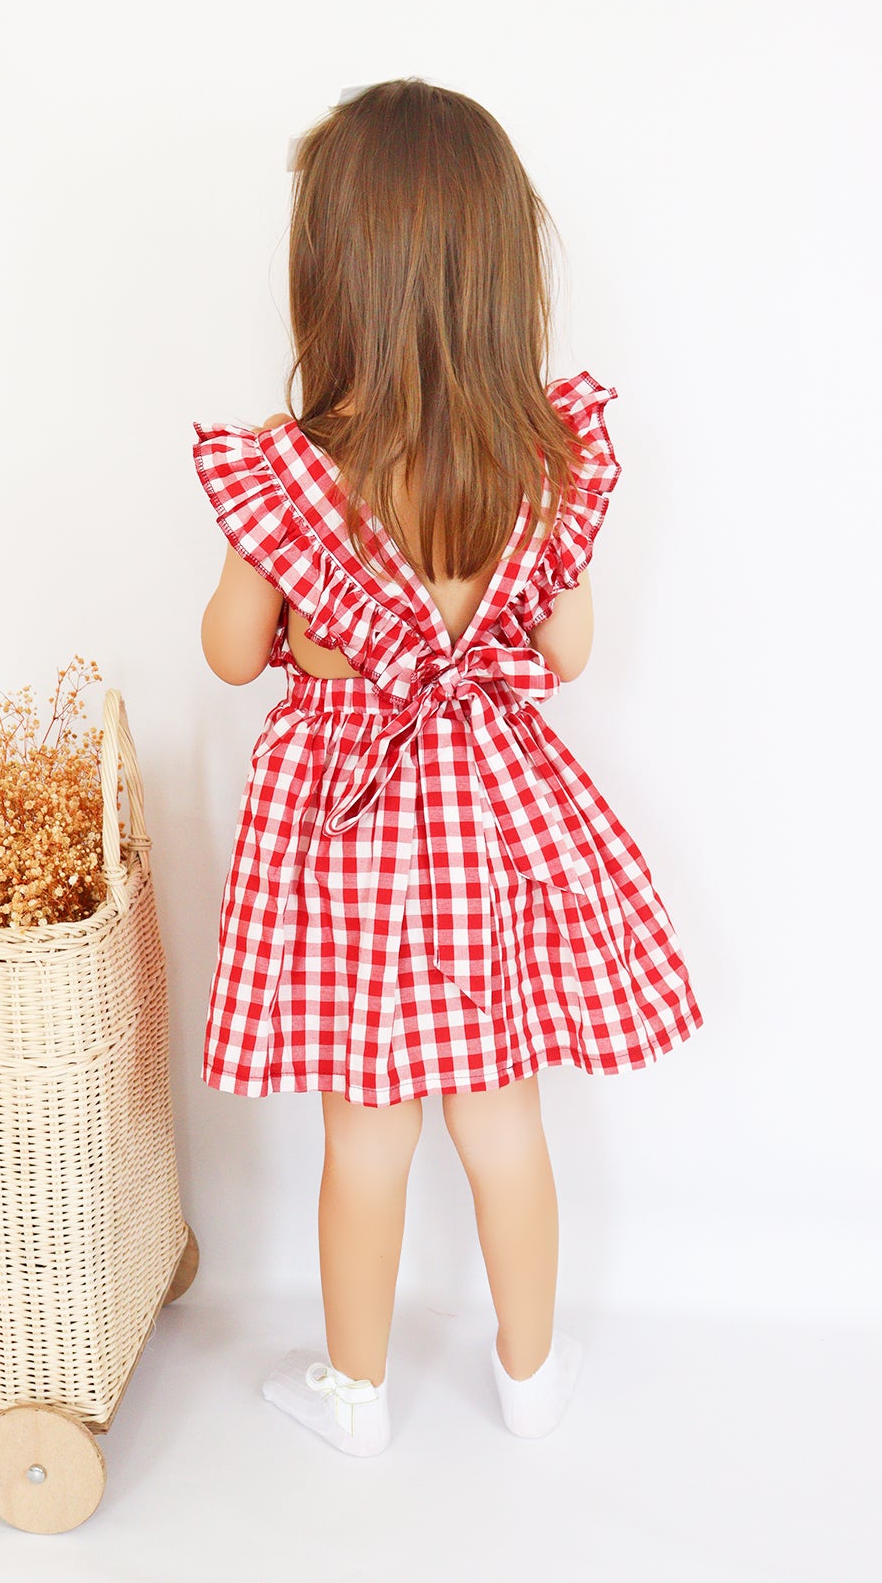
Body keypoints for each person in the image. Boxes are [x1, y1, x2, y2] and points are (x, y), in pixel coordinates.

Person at [191, 78, 703, 1458]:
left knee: (364, 1142)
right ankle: (532, 1379)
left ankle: (354, 1398)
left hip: (356, 844)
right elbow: (569, 648)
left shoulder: (299, 477)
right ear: (499, 273)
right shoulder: (539, 465)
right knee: (503, 1123)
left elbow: (233, 653)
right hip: (492, 826)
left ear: (334, 273)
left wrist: (314, 628)